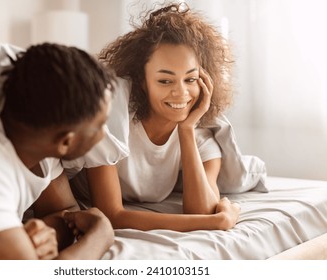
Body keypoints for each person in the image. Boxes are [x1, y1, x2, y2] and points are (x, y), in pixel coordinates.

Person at [63, 2, 241, 232]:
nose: (181, 93)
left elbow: (202, 208)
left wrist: (186, 131)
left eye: (190, 79)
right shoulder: (114, 123)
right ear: (142, 82)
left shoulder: (203, 134)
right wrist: (217, 222)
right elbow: (112, 215)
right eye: (165, 80)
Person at [0, 43, 115, 259]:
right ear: (65, 142)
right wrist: (100, 236)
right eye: (99, 125)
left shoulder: (36, 135)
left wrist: (43, 236)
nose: (104, 134)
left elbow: (65, 212)